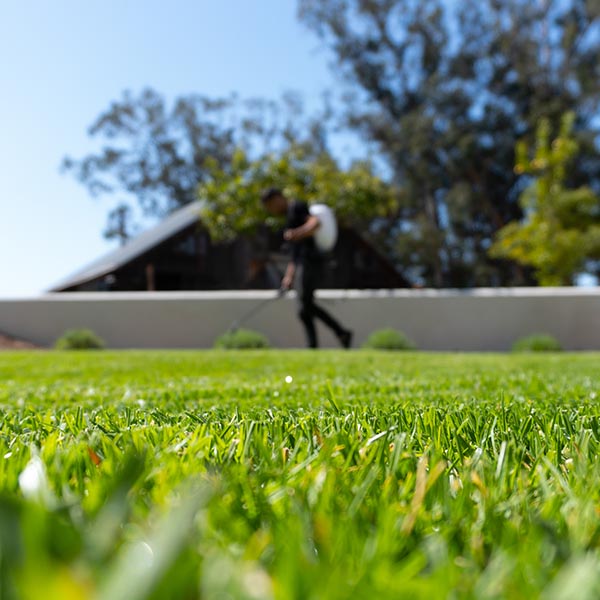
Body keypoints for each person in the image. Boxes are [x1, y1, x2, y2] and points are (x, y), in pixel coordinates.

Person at [261, 188, 353, 349]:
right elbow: (295, 254)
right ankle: (337, 334)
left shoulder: (296, 207)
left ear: (277, 198)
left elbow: (315, 223)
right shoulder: (288, 217)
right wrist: (288, 277)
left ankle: (330, 337)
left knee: (304, 305)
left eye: (270, 205)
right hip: (302, 262)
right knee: (304, 307)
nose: (271, 210)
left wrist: (297, 232)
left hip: (311, 261)